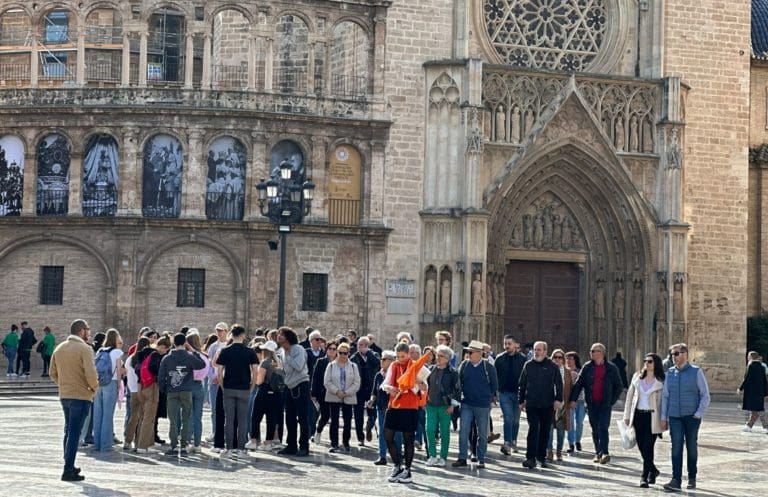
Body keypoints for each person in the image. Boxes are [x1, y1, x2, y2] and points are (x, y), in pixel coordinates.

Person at [50, 319, 98, 481]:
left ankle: (69, 464)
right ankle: (67, 469)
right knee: (74, 433)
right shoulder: (85, 349)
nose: (89, 333)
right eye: (88, 330)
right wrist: (94, 388)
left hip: (65, 395)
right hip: (81, 396)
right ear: (81, 331)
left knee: (68, 430)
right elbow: (90, 373)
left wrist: (64, 385)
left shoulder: (60, 348)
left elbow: (52, 373)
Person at [660, 343, 711, 492]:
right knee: (675, 447)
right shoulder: (669, 372)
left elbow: (705, 395)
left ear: (685, 354)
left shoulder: (696, 372)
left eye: (676, 354)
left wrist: (698, 414)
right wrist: (664, 417)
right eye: (672, 354)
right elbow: (665, 396)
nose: (673, 357)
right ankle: (676, 479)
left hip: (691, 417)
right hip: (675, 416)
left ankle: (692, 477)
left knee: (691, 446)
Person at [381, 342, 430, 484]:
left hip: (410, 406)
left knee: (408, 439)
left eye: (403, 356)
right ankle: (397, 465)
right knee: (388, 435)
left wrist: (418, 381)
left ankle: (407, 470)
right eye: (398, 356)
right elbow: (385, 383)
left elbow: (425, 387)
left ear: (408, 354)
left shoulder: (417, 366)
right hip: (394, 404)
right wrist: (390, 388)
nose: (400, 359)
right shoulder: (394, 365)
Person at [569, 342, 623, 464]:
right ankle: (598, 452)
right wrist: (573, 399)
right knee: (595, 429)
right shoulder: (587, 367)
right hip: (592, 403)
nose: (591, 353)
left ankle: (605, 452)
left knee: (603, 427)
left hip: (605, 404)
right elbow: (579, 384)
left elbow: (619, 386)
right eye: (591, 351)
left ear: (601, 353)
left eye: (594, 351)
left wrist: (611, 401)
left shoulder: (611, 368)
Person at [453, 340, 498, 469]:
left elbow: (494, 384)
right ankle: (462, 457)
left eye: (470, 352)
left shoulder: (488, 367)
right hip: (466, 403)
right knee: (464, 431)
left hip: (483, 405)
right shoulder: (464, 365)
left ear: (479, 353)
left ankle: (481, 458)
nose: (468, 354)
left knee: (482, 433)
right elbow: (458, 382)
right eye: (468, 351)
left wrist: (489, 397)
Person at [518, 341, 563, 469]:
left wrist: (558, 399)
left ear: (545, 351)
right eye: (535, 349)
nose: (536, 352)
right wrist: (521, 401)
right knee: (533, 429)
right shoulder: (528, 365)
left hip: (547, 404)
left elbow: (558, 384)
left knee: (544, 431)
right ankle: (530, 457)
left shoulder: (552, 366)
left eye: (539, 350)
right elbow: (522, 384)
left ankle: (541, 457)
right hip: (532, 403)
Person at [623, 353, 666, 487]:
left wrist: (664, 419)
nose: (647, 363)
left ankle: (644, 476)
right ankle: (653, 471)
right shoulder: (637, 377)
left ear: (656, 364)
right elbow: (630, 397)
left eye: (650, 361)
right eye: (645, 361)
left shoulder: (661, 380)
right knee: (641, 446)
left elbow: (664, 402)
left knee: (649, 446)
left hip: (653, 417)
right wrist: (627, 415)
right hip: (638, 416)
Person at [216, 324, 258, 458]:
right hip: (244, 388)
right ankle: (241, 449)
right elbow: (255, 371)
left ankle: (228, 449)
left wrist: (222, 386)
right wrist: (252, 386)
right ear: (243, 335)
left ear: (231, 335)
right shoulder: (250, 351)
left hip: (229, 387)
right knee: (242, 419)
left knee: (229, 419)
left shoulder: (225, 350)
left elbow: (219, 371)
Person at [277, 326, 311, 456]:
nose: (279, 336)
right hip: (289, 386)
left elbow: (299, 365)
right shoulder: (281, 351)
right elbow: (286, 371)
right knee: (290, 417)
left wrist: (287, 354)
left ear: (288, 336)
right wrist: (276, 369)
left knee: (302, 417)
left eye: (281, 334)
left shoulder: (297, 349)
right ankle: (291, 445)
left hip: (301, 385)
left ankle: (304, 446)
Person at [425, 344, 460, 467]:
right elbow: (425, 385)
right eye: (437, 355)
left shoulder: (453, 372)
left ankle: (443, 457)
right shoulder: (430, 369)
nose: (438, 358)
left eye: (441, 356)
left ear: (447, 358)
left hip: (445, 406)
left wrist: (453, 405)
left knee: (445, 432)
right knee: (429, 429)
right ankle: (432, 456)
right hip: (431, 405)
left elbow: (457, 389)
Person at [324, 341, 361, 452]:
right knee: (334, 421)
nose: (343, 355)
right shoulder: (331, 365)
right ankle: (334, 443)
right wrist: (337, 391)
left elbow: (357, 382)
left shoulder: (353, 366)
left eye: (345, 353)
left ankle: (346, 442)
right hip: (334, 395)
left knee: (348, 420)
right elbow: (327, 381)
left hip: (348, 396)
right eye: (340, 353)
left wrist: (347, 392)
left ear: (348, 353)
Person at [92, 328, 124, 452]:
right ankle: (105, 445)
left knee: (98, 413)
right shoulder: (117, 352)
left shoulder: (101, 350)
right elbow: (119, 370)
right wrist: (119, 385)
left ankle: (97, 443)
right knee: (108, 415)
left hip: (99, 384)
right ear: (115, 338)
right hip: (111, 383)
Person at [494, 334, 527, 454]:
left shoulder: (523, 359)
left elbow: (527, 377)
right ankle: (507, 443)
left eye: (509, 344)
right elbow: (494, 376)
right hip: (504, 393)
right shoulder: (499, 358)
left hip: (518, 394)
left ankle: (513, 440)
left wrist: (525, 395)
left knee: (515, 421)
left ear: (515, 345)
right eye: (505, 344)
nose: (507, 346)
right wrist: (494, 392)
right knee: (508, 418)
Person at [248, 340, 283, 450]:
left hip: (263, 391)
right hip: (276, 393)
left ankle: (253, 440)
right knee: (271, 419)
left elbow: (259, 381)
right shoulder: (279, 362)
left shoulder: (265, 362)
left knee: (256, 417)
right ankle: (268, 442)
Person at [371, 349, 401, 465]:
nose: (381, 361)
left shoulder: (396, 374)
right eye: (381, 359)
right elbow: (374, 391)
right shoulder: (379, 375)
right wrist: (372, 400)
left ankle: (398, 454)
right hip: (381, 407)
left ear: (392, 361)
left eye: (384, 359)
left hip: (394, 408)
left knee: (397, 432)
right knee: (382, 432)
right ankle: (382, 456)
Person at [350, 336, 380, 445]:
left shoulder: (374, 355)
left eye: (363, 345)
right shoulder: (354, 358)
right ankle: (360, 438)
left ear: (367, 346)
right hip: (359, 390)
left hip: (372, 389)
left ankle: (369, 426)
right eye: (359, 345)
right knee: (358, 414)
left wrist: (368, 353)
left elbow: (378, 364)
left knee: (373, 412)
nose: (360, 347)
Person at [185, 329, 211, 452]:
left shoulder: (187, 356)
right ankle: (197, 443)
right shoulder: (205, 356)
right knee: (197, 416)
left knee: (188, 415)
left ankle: (188, 441)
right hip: (199, 386)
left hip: (188, 385)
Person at [123, 337, 150, 451]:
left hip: (132, 390)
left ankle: (127, 441)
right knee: (143, 417)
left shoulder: (129, 359)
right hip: (143, 389)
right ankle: (138, 441)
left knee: (133, 416)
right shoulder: (145, 358)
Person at [206, 322, 229, 450]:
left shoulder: (230, 345)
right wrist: (213, 377)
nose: (219, 333)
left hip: (227, 382)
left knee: (227, 410)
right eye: (217, 330)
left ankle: (226, 434)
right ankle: (216, 432)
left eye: (221, 330)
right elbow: (208, 365)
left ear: (227, 331)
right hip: (214, 382)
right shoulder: (213, 347)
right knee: (215, 409)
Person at [548, 349, 572, 461]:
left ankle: (559, 451)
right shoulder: (547, 369)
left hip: (562, 406)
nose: (557, 359)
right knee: (549, 429)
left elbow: (570, 388)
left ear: (563, 360)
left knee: (561, 431)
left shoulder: (567, 372)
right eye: (555, 357)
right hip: (548, 404)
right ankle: (549, 451)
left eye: (560, 357)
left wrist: (571, 401)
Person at [311, 339, 337, 444]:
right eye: (330, 348)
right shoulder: (321, 361)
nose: (331, 351)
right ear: (326, 350)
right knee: (325, 415)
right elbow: (315, 377)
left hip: (336, 393)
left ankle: (334, 440)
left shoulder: (339, 363)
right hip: (323, 392)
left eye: (334, 349)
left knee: (334, 417)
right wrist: (313, 393)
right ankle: (318, 431)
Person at [739, 351, 768, 433]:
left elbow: (747, 379)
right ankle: (749, 426)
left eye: (748, 356)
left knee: (758, 410)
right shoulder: (762, 367)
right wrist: (765, 393)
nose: (747, 358)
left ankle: (765, 426)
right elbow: (765, 381)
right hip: (760, 392)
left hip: (752, 392)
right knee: (756, 410)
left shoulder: (751, 366)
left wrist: (740, 388)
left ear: (751, 357)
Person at [565, 351, 586, 453]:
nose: (568, 360)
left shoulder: (581, 371)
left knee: (580, 423)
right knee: (570, 423)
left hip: (580, 400)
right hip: (568, 401)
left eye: (571, 358)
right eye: (567, 358)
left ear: (575, 360)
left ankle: (578, 440)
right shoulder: (563, 371)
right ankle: (571, 443)